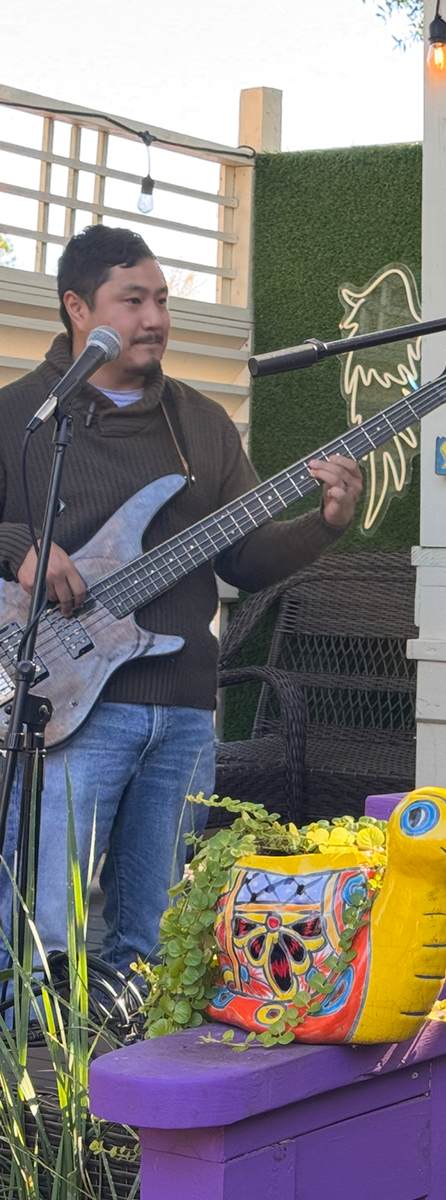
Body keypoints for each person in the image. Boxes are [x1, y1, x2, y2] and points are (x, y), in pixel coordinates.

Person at [0, 224, 363, 977]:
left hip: (185, 711)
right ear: (76, 307)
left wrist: (324, 526)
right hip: (66, 707)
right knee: (46, 934)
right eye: (132, 300)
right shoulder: (22, 417)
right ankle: (36, 1086)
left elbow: (246, 559)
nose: (155, 318)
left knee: (160, 939)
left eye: (161, 299)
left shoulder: (200, 422)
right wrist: (20, 549)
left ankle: (136, 1081)